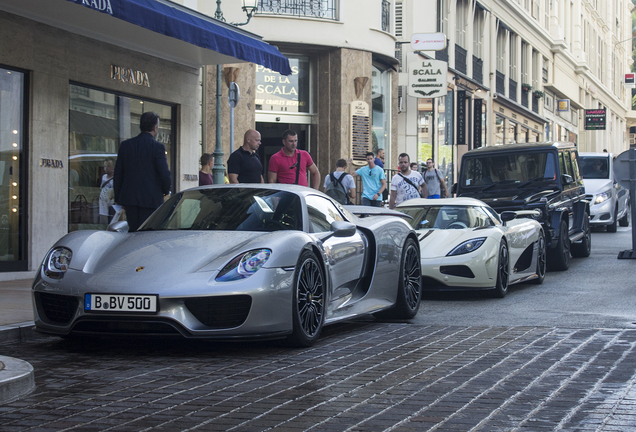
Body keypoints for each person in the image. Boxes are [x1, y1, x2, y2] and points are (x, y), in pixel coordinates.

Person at [114, 111, 171, 232]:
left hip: (130, 199)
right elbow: (164, 173)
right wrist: (165, 191)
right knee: (148, 233)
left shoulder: (126, 145)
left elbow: (118, 173)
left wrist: (119, 197)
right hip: (151, 199)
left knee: (134, 231)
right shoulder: (157, 147)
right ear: (155, 128)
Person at [98, 158, 115, 225]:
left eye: (108, 166)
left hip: (111, 203)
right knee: (103, 219)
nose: (106, 168)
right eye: (105, 166)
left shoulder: (115, 178)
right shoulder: (104, 177)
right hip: (103, 202)